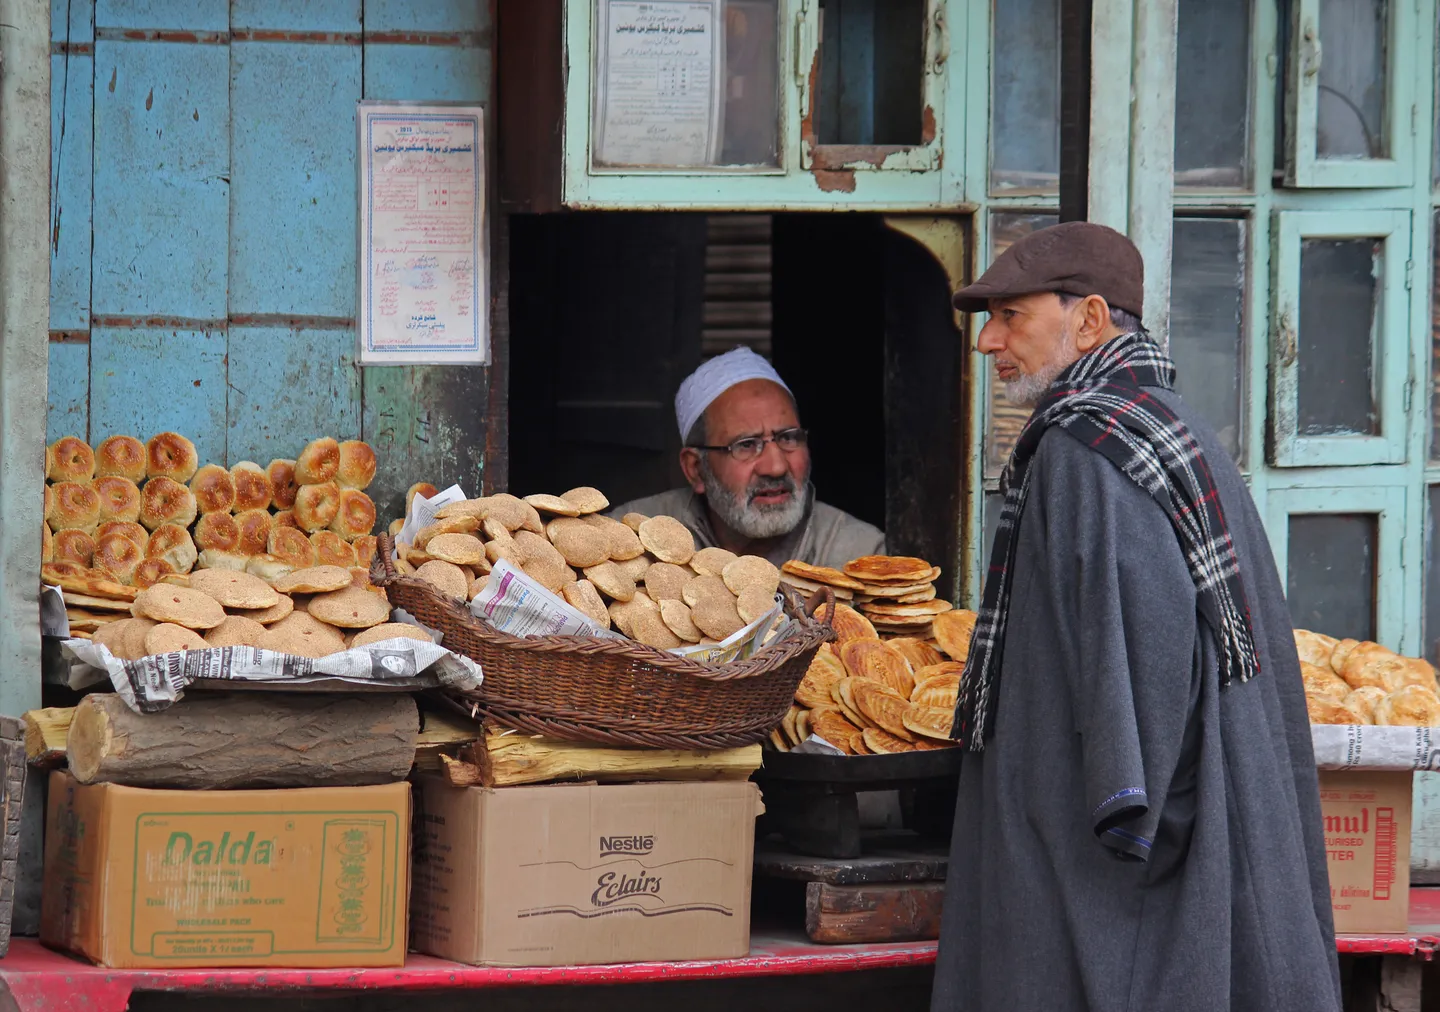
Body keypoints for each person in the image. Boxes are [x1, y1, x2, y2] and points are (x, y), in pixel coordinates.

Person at [933, 222, 1340, 1011]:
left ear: (1088, 320)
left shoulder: (1089, 449)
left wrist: (1124, 833)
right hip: (1200, 829)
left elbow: (1141, 684)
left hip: (1122, 875)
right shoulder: (1170, 425)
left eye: (1010, 316)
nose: (988, 342)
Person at [613, 347, 884, 569]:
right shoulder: (628, 538)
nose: (776, 467)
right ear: (695, 469)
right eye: (746, 445)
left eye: (788, 438)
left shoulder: (862, 556)